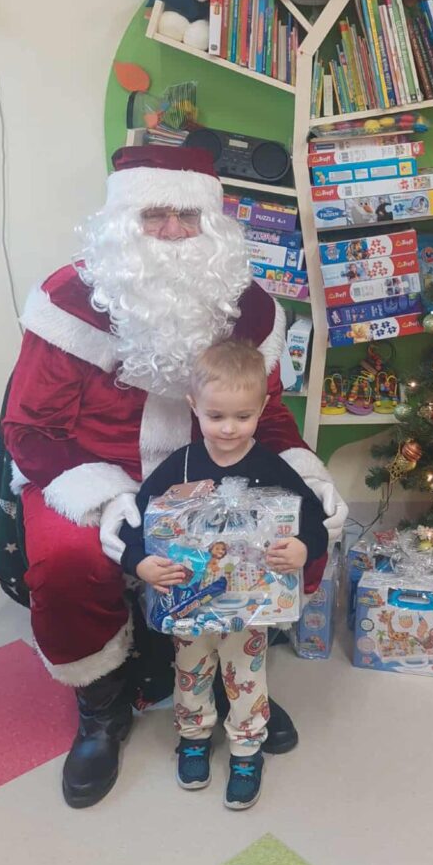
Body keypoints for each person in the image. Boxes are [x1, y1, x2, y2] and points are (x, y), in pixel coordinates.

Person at [1, 144, 347, 808]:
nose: (169, 231)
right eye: (152, 214)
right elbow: (30, 429)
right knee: (69, 560)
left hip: (213, 468)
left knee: (282, 537)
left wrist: (307, 475)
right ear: (121, 222)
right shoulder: (70, 300)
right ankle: (103, 707)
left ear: (212, 224)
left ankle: (236, 680)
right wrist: (105, 500)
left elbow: (267, 417)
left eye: (186, 216)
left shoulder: (249, 309)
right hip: (89, 472)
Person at [120, 340, 328, 811]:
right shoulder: (180, 465)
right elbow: (138, 520)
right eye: (215, 416)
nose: (229, 428)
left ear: (262, 409)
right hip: (189, 605)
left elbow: (313, 520)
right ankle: (194, 738)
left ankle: (247, 749)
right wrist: (139, 562)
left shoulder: (270, 466)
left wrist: (303, 546)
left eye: (242, 416)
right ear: (193, 407)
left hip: (248, 611)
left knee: (247, 678)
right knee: (190, 675)